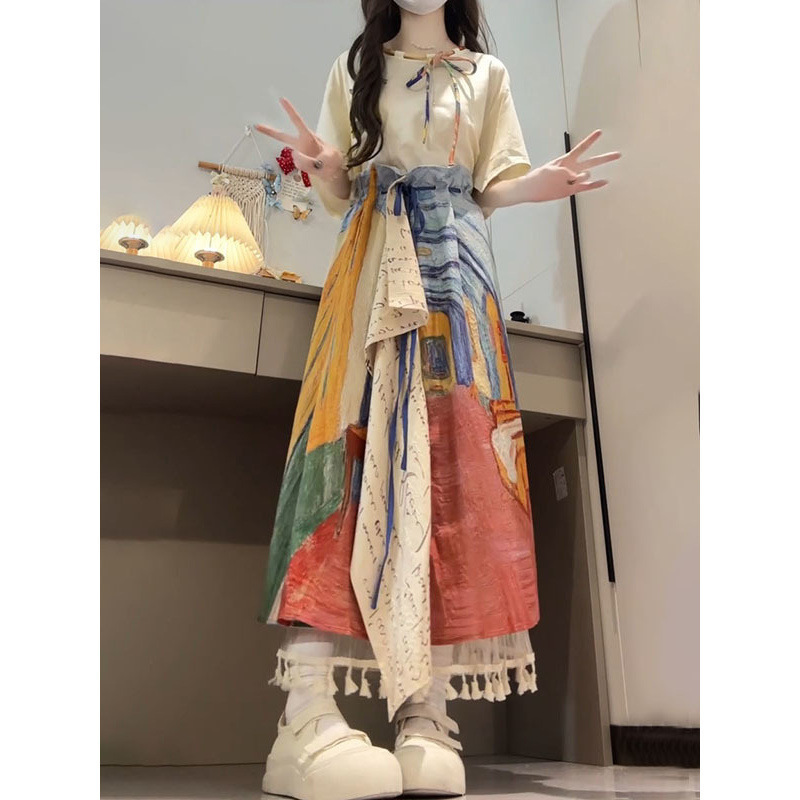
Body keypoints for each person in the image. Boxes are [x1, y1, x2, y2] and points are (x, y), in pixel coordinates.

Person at [254, 1, 620, 798]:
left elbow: (493, 182)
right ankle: (305, 710)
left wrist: (539, 184)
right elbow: (337, 187)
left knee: (459, 472)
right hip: (371, 262)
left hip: (459, 275)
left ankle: (427, 711)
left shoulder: (487, 74)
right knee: (342, 455)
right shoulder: (358, 66)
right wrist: (326, 168)